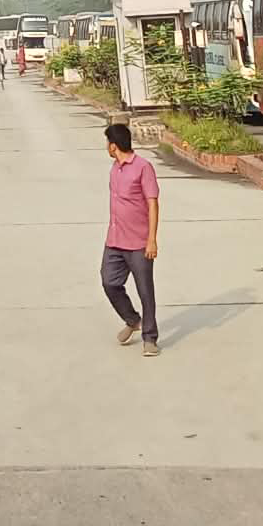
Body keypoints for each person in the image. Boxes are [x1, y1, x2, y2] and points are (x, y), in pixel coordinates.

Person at [101, 122, 161, 357]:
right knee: (109, 282)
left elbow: (153, 204)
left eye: (107, 142)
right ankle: (133, 320)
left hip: (138, 242)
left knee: (145, 291)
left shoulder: (143, 168)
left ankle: (150, 338)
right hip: (115, 240)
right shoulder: (114, 169)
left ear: (113, 146)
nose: (106, 146)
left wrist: (152, 239)